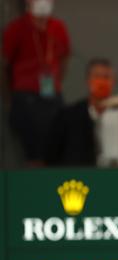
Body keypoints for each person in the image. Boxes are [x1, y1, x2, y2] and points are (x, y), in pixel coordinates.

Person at [2, 0, 70, 166]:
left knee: (57, 142)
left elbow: (64, 57)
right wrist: (10, 97)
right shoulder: (16, 28)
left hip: (51, 94)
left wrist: (56, 81)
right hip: (25, 95)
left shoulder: (57, 27)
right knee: (33, 150)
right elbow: (5, 66)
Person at [46, 58, 114, 166]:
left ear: (113, 81)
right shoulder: (67, 118)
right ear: (88, 80)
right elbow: (51, 157)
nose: (101, 82)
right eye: (97, 77)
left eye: (106, 77)